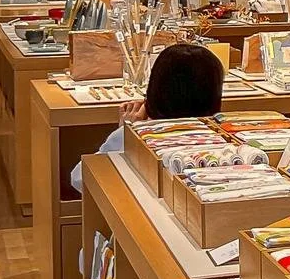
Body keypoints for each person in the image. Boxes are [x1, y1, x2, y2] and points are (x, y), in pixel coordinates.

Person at [70, 43, 225, 193]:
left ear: (155, 88)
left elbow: (80, 178)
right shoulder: (223, 137)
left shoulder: (136, 135)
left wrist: (129, 133)